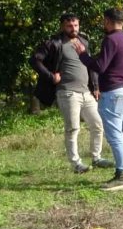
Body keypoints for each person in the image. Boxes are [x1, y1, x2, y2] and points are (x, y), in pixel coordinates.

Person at [73, 8, 123, 191]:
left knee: (115, 134)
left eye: (104, 21)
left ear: (108, 21)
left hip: (113, 93)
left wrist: (83, 55)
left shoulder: (110, 40)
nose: (104, 24)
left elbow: (100, 67)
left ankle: (122, 175)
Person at [29, 12, 114, 173]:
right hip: (67, 93)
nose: (73, 28)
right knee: (73, 128)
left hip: (86, 92)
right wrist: (50, 76)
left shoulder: (83, 41)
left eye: (76, 25)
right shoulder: (54, 43)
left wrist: (95, 86)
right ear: (62, 26)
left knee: (98, 124)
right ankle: (76, 164)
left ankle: (97, 158)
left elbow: (91, 65)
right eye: (69, 25)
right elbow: (34, 59)